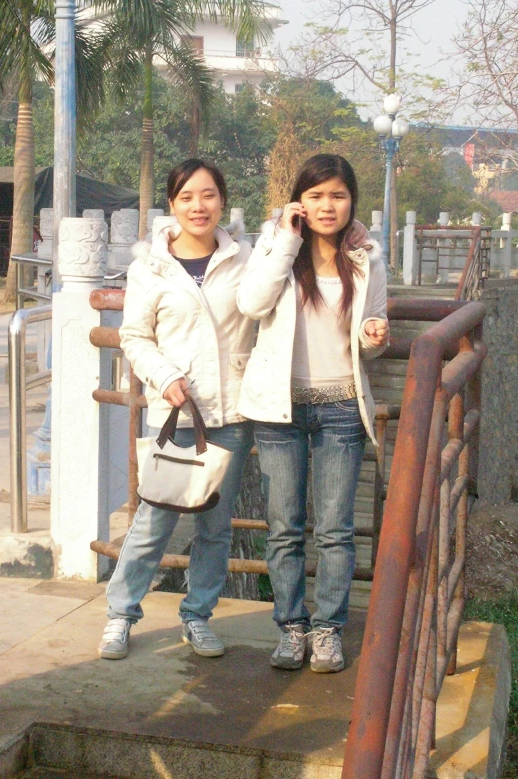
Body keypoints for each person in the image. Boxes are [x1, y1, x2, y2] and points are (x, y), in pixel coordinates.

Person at [237, 153, 389, 673]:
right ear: (299, 200)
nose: (328, 205)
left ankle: (327, 631)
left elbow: (371, 330)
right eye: (317, 195)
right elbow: (252, 303)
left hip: (341, 408)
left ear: (351, 201)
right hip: (280, 411)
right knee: (283, 526)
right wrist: (287, 239)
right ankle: (290, 628)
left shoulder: (367, 258)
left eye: (338, 195)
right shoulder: (276, 246)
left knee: (335, 530)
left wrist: (374, 336)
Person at [99, 159, 255, 661]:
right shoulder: (150, 267)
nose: (198, 206)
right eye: (187, 196)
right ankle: (121, 615)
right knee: (153, 523)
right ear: (172, 205)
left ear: (222, 201)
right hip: (175, 415)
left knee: (214, 527)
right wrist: (164, 377)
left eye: (208, 195)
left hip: (229, 415)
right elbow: (134, 336)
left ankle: (198, 616)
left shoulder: (244, 259)